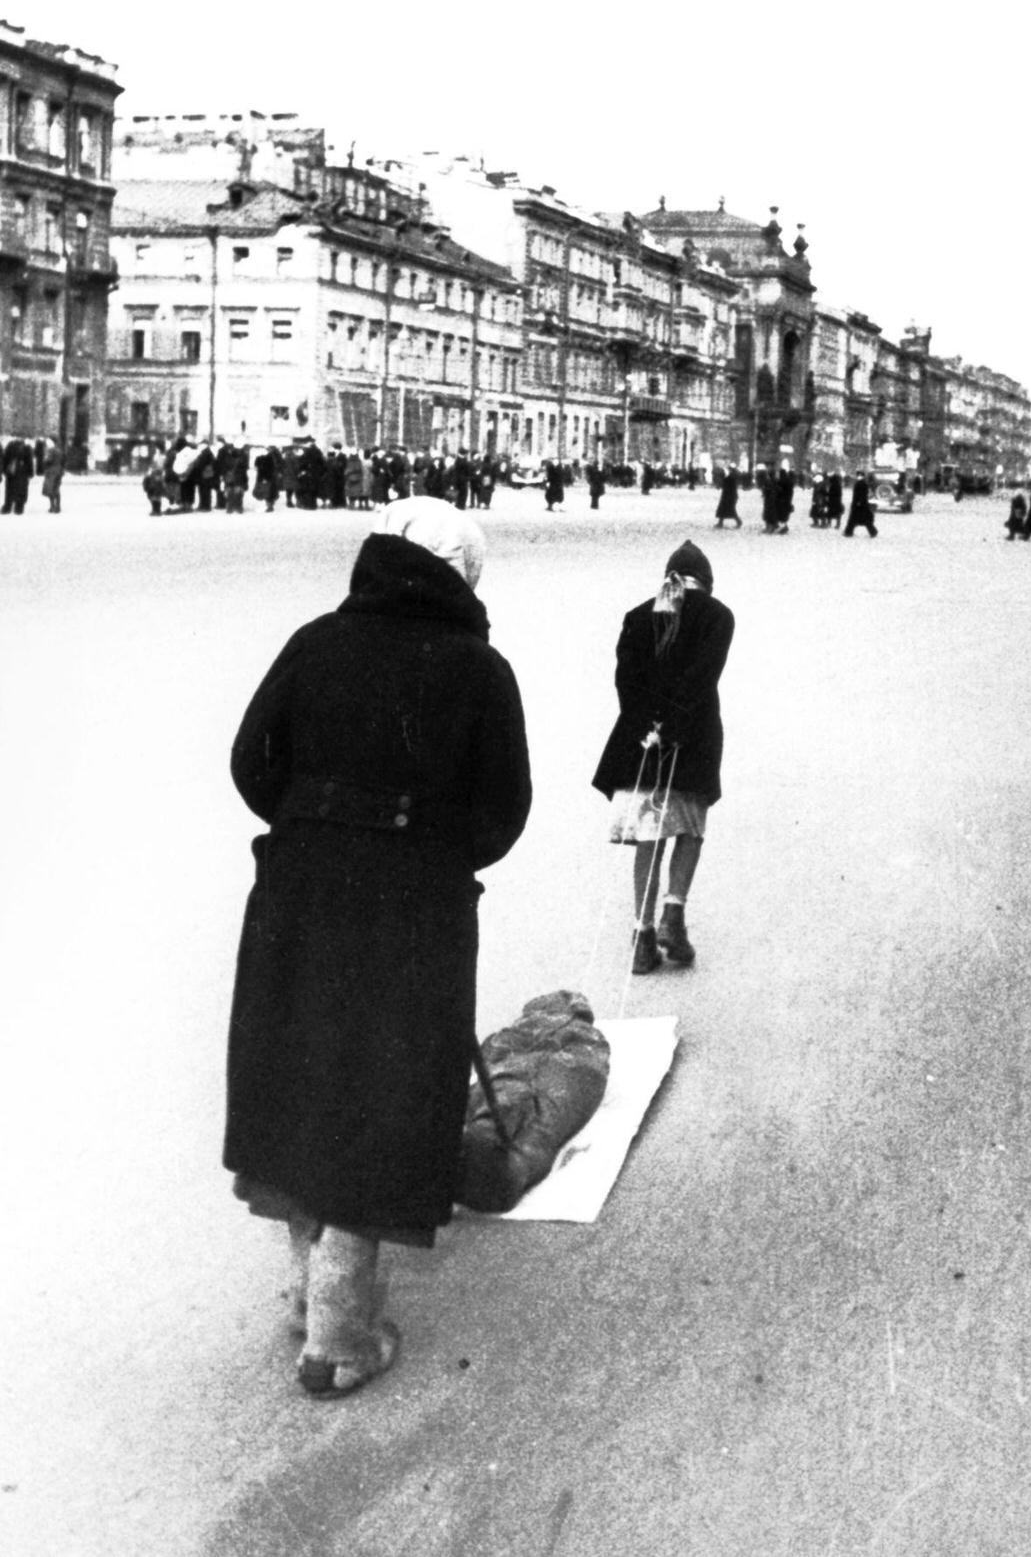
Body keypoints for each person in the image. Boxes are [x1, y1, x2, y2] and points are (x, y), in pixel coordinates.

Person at [225, 497, 532, 1399]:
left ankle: (305, 1295)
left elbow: (252, 762)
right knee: (381, 1093)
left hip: (301, 892)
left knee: (299, 1079)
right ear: (462, 575)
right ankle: (339, 1337)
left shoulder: (315, 640)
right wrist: (425, 852)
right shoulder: (481, 669)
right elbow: (502, 813)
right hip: (413, 909)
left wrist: (316, 824)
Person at [593, 540, 734, 975]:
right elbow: (702, 677)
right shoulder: (718, 616)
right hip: (694, 737)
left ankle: (642, 936)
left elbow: (625, 683)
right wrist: (675, 727)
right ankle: (673, 915)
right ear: (706, 583)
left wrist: (650, 728)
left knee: (650, 835)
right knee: (690, 827)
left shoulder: (638, 616)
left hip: (642, 739)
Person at [843, 472, 877, 538]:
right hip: (861, 505)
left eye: (860, 476)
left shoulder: (861, 484)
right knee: (863, 520)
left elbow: (862, 494)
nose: (859, 477)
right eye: (858, 475)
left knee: (854, 520)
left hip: (859, 505)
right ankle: (873, 532)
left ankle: (848, 532)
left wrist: (859, 502)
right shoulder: (862, 483)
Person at [40, 440, 64, 513]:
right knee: (57, 489)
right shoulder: (59, 451)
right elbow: (63, 461)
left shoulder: (50, 451)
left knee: (51, 489)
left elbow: (48, 460)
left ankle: (52, 506)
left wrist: (44, 460)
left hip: (51, 472)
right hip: (59, 471)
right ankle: (58, 506)